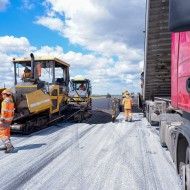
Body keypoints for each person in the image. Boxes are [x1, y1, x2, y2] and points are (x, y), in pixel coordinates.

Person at [0, 89, 15, 153]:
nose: (2, 96)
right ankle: (6, 145)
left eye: (3, 94)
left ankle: (9, 146)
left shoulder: (5, 102)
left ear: (5, 94)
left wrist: (1, 120)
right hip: (9, 120)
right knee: (7, 133)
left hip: (5, 120)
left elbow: (4, 112)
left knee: (2, 134)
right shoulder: (11, 101)